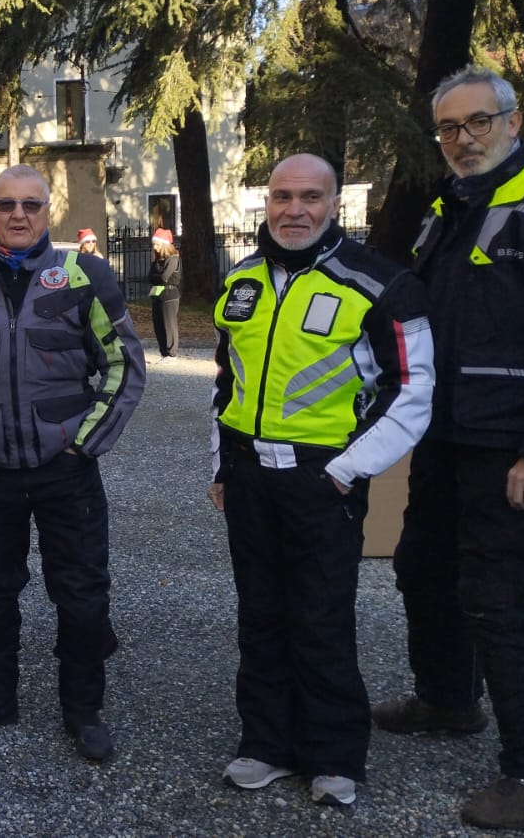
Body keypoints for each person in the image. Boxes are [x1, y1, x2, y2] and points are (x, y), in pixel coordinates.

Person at [207, 153, 434, 808]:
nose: (293, 209)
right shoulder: (240, 280)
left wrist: (344, 470)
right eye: (281, 195)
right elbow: (227, 383)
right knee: (259, 614)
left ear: (333, 202)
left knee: (320, 617)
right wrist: (218, 463)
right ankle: (266, 743)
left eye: (310, 195)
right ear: (266, 201)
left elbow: (415, 387)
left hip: (322, 479)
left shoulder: (381, 283)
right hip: (249, 477)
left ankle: (334, 756)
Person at [372, 65, 524, 831]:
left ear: (511, 122)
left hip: (509, 444)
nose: (462, 139)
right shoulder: (449, 206)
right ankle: (449, 700)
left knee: (496, 595)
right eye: (449, 128)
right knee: (421, 565)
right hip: (445, 433)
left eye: (476, 122)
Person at [0, 164, 146, 762]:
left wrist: (82, 445)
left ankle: (83, 711)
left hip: (66, 469)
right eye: (5, 204)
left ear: (49, 211)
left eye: (30, 205)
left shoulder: (84, 276)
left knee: (82, 594)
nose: (18, 215)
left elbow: (125, 366)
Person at [148, 228, 181, 359]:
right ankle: (163, 352)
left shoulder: (173, 259)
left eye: (156, 244)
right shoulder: (157, 261)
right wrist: (158, 277)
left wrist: (158, 277)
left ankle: (171, 352)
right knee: (158, 325)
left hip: (169, 295)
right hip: (157, 295)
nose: (154, 247)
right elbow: (150, 277)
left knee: (169, 324)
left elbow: (164, 277)